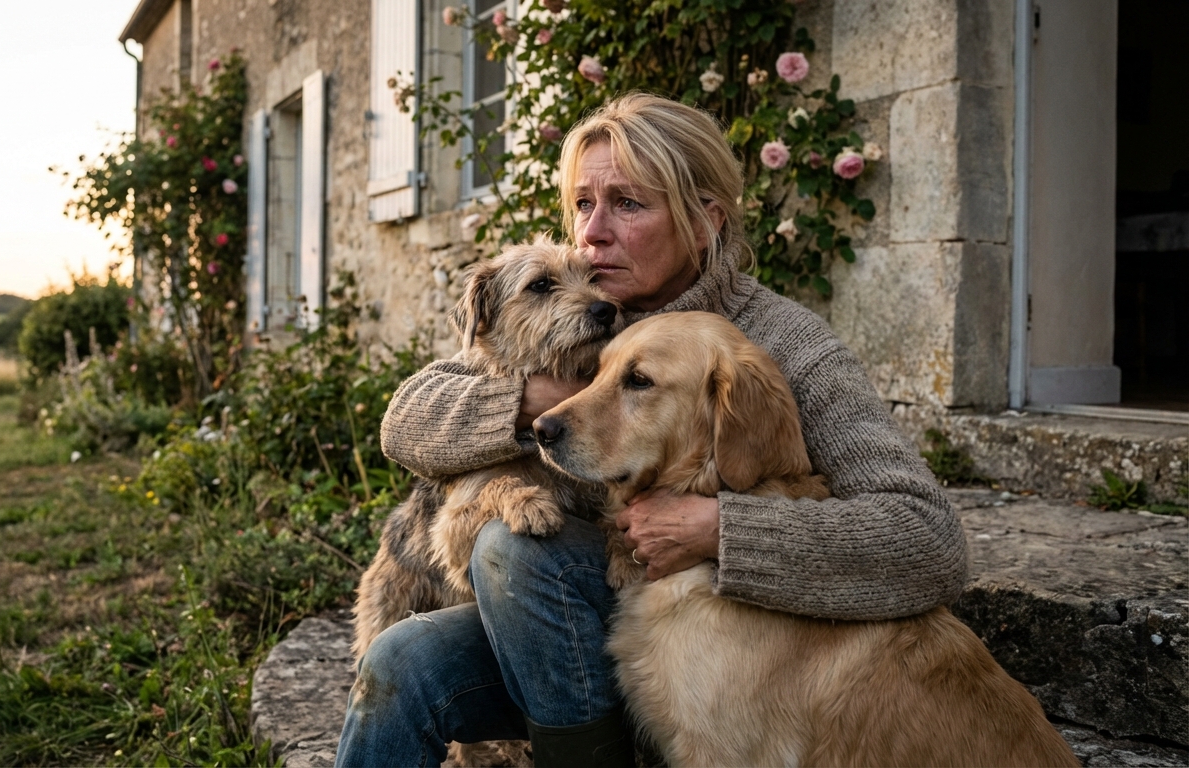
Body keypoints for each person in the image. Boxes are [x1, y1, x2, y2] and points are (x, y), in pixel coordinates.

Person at [335, 93, 967, 768]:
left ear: (703, 222)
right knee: (402, 661)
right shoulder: (570, 321)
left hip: (710, 643)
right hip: (568, 624)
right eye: (582, 204)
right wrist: (530, 401)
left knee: (519, 552)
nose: (592, 234)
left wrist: (718, 528)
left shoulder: (784, 345)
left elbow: (927, 540)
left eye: (627, 205)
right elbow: (408, 419)